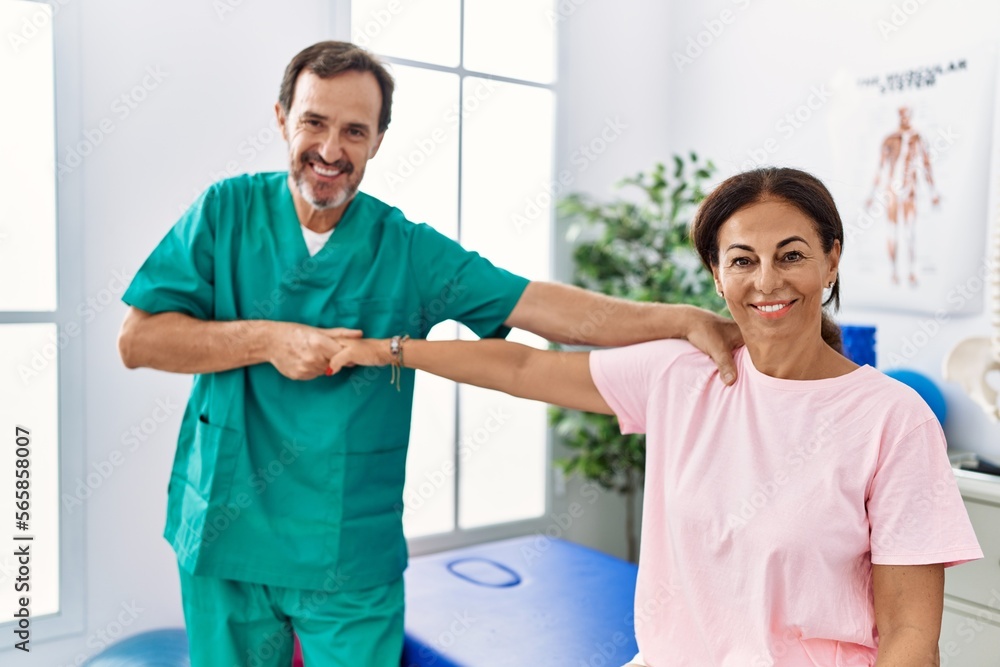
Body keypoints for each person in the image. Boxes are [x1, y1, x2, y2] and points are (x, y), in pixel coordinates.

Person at [115, 41, 741, 666]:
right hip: (229, 532)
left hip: (347, 553)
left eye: (355, 131)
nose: (331, 150)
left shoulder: (406, 249)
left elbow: (539, 306)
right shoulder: (225, 212)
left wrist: (681, 319)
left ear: (379, 140)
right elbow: (139, 340)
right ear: (281, 117)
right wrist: (269, 339)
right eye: (314, 122)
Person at [328, 167, 983, 666]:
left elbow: (909, 632)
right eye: (743, 260)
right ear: (717, 276)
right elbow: (524, 369)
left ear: (830, 259)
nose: (768, 281)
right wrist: (388, 350)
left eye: (792, 254)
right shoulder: (683, 374)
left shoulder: (891, 418)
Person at [865, 106, 942, 286]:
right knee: (892, 231)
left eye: (908, 114)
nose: (905, 118)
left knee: (909, 232)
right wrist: (871, 194)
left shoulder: (917, 138)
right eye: (903, 114)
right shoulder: (890, 139)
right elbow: (880, 167)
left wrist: (933, 192)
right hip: (892, 189)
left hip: (909, 190)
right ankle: (893, 271)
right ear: (899, 116)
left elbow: (926, 164)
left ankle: (911, 271)